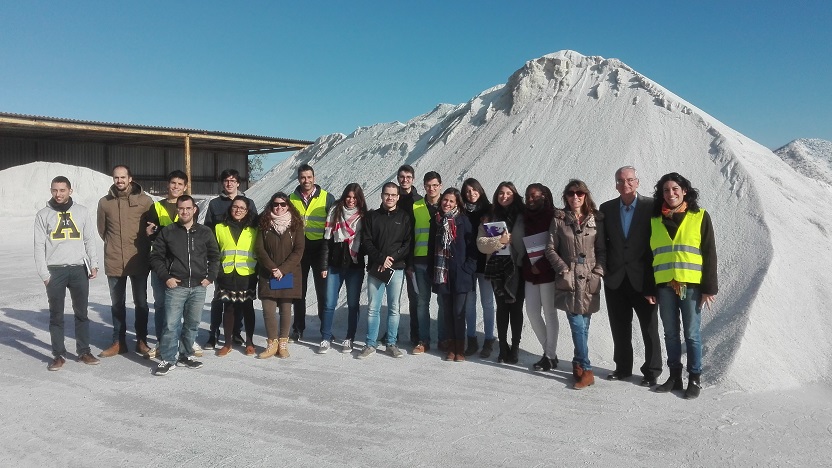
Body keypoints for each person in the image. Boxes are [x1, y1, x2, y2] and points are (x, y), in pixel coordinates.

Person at [645, 172, 718, 399]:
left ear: (684, 191)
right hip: (665, 285)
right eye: (666, 190)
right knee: (670, 334)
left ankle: (694, 378)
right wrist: (649, 288)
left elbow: (709, 252)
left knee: (692, 334)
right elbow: (648, 255)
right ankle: (675, 376)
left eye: (675, 189)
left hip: (691, 285)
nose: (671, 193)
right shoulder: (655, 220)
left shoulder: (699, 216)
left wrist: (709, 288)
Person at [599, 166, 663, 387]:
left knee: (649, 327)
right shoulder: (606, 208)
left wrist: (654, 282)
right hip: (615, 278)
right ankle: (623, 367)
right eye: (620, 180)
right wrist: (604, 270)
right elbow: (603, 243)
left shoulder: (651, 206)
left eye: (629, 180)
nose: (624, 184)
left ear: (637, 182)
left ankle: (652, 370)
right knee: (619, 325)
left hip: (643, 279)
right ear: (615, 184)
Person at [34, 176, 101, 370]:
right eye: (55, 190)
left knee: (81, 313)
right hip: (55, 271)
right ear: (51, 190)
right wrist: (44, 274)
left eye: (62, 190)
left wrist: (93, 264)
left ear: (70, 191)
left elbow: (89, 239)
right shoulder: (43, 214)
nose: (58, 194)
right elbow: (38, 246)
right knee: (56, 316)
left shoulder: (81, 212)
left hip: (78, 269)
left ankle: (84, 351)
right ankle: (58, 355)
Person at [544, 180, 606, 389]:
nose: (575, 197)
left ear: (586, 195)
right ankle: (586, 370)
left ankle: (577, 363)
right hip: (569, 275)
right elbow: (550, 248)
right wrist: (562, 269)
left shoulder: (597, 219)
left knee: (585, 325)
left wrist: (598, 271)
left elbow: (603, 250)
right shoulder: (559, 220)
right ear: (566, 197)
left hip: (590, 276)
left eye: (579, 193)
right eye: (571, 193)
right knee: (577, 324)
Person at [149, 195, 220, 376]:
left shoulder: (205, 232)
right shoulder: (169, 231)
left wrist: (210, 276)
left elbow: (214, 256)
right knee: (171, 324)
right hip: (176, 286)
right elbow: (156, 257)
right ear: (177, 210)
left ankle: (185, 355)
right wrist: (166, 277)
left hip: (198, 287)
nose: (185, 212)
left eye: (188, 208)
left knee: (192, 323)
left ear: (194, 209)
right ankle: (168, 358)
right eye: (181, 209)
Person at [96, 165, 154, 358]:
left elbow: (151, 229)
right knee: (117, 304)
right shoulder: (105, 203)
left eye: (123, 177)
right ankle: (118, 342)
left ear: (130, 178)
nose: (119, 181)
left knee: (141, 303)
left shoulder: (145, 201)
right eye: (116, 178)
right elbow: (102, 230)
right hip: (114, 260)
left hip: (138, 259)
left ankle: (141, 341)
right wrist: (113, 246)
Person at [203, 169, 258, 349]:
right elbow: (210, 234)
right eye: (226, 180)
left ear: (238, 183)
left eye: (232, 180)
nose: (229, 183)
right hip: (223, 266)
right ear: (222, 183)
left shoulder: (249, 203)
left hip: (244, 268)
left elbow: (255, 226)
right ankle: (214, 333)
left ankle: (236, 332)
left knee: (241, 303)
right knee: (220, 301)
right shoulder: (215, 204)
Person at [357, 182, 412, 359]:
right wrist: (381, 258)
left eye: (393, 195)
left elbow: (407, 243)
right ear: (382, 195)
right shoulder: (373, 216)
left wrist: (392, 258)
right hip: (376, 268)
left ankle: (391, 343)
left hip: (396, 269)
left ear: (398, 197)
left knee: (394, 307)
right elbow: (367, 241)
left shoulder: (404, 217)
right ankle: (370, 343)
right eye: (387, 194)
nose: (390, 197)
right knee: (373, 307)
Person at [144, 170, 195, 359]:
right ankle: (161, 341)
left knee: (181, 305)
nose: (176, 187)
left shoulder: (189, 207)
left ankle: (183, 341)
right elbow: (151, 233)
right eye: (173, 183)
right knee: (160, 305)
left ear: (185, 186)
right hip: (161, 264)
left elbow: (189, 233)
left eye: (180, 184)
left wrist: (162, 231)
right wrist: (166, 232)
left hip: (182, 264)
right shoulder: (156, 207)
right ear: (168, 184)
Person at [476, 181, 526, 364]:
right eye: (501, 193)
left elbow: (531, 238)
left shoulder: (523, 215)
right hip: (497, 268)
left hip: (518, 268)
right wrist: (500, 240)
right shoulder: (490, 217)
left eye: (508, 193)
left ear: (515, 195)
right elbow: (481, 244)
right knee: (502, 308)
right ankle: (503, 346)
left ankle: (515, 348)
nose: (504, 196)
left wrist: (515, 244)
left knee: (516, 308)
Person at [318, 183, 367, 354]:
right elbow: (326, 242)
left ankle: (349, 338)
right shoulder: (334, 211)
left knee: (353, 304)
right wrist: (323, 265)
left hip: (355, 265)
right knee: (329, 303)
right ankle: (325, 337)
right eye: (348, 196)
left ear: (359, 198)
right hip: (335, 264)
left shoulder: (363, 216)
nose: (351, 200)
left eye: (355, 197)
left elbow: (367, 242)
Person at [255, 193, 305, 359]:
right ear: (271, 205)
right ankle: (272, 343)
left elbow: (298, 250)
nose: (279, 207)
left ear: (288, 205)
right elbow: (259, 249)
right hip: (268, 273)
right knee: (268, 311)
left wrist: (282, 269)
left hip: (288, 273)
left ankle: (283, 344)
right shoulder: (264, 223)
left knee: (285, 310)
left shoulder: (296, 225)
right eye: (276, 204)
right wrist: (272, 268)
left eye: (283, 204)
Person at [288, 164, 335, 342]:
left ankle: (325, 329)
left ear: (314, 178)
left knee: (323, 292)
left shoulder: (327, 198)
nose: (306, 181)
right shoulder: (291, 198)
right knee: (299, 292)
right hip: (299, 250)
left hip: (320, 250)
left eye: (309, 177)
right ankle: (298, 328)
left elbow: (335, 223)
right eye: (302, 177)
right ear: (298, 179)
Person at [431, 188, 476, 362]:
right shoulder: (436, 220)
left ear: (457, 203)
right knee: (447, 312)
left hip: (461, 274)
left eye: (451, 201)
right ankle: (451, 347)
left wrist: (468, 268)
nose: (447, 203)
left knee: (459, 312)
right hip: (442, 273)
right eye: (445, 200)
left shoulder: (463, 221)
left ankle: (460, 348)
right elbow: (431, 247)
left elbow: (472, 247)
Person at [520, 183, 560, 372]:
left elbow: (558, 245)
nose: (530, 199)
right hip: (530, 272)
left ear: (544, 195)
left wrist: (542, 266)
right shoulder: (524, 216)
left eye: (534, 195)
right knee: (532, 312)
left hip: (548, 272)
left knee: (550, 313)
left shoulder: (553, 216)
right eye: (528, 196)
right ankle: (549, 352)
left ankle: (549, 356)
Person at [214, 196, 259, 357]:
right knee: (229, 309)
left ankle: (249, 342)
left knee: (247, 308)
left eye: (242, 208)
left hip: (247, 274)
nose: (238, 210)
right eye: (235, 207)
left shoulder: (254, 229)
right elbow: (214, 252)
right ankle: (227, 343)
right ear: (230, 208)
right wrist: (217, 272)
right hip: (226, 274)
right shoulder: (220, 227)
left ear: (247, 211)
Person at [461, 178, 496, 358]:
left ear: (480, 191)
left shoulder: (489, 210)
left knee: (488, 302)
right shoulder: (461, 211)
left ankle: (489, 339)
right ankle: (472, 338)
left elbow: (497, 237)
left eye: (474, 190)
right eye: (467, 191)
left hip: (486, 263)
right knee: (469, 304)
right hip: (467, 264)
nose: (471, 194)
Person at [411, 171, 445, 355]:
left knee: (442, 301)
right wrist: (409, 262)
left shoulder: (447, 205)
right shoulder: (416, 206)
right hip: (420, 261)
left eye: (434, 185)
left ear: (440, 185)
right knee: (422, 302)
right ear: (424, 186)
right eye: (428, 185)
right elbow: (409, 235)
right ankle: (423, 340)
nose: (431, 189)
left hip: (441, 262)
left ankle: (442, 340)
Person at [397, 164, 423, 345]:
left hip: (413, 258)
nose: (405, 180)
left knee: (415, 298)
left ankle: (416, 334)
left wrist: (412, 261)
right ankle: (392, 333)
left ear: (413, 179)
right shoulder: (393, 197)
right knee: (393, 298)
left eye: (408, 177)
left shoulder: (419, 201)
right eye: (402, 177)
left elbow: (419, 232)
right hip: (395, 257)